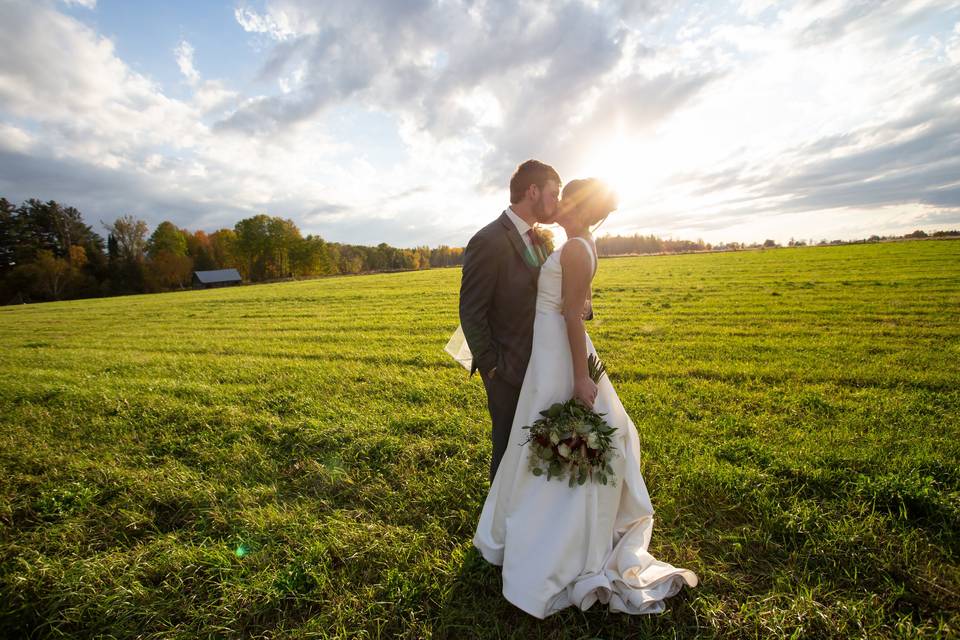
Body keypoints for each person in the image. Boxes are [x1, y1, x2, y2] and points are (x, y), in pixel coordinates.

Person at [472, 178, 698, 618]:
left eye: (563, 195)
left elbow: (574, 316)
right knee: (538, 435)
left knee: (552, 435)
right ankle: (535, 528)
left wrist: (580, 377)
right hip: (547, 349)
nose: (555, 202)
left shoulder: (576, 247)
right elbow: (581, 303)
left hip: (560, 353)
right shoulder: (578, 242)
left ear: (577, 205)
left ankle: (556, 541)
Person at [458, 159, 561, 482]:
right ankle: (498, 528)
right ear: (532, 191)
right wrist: (492, 368)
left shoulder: (541, 238)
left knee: (538, 448)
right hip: (506, 370)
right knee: (507, 452)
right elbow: (471, 309)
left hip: (542, 362)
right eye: (553, 193)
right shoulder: (487, 240)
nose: (556, 201)